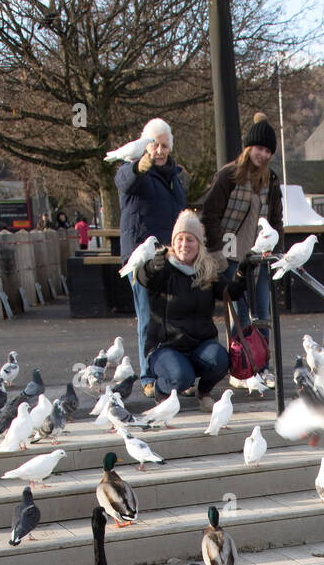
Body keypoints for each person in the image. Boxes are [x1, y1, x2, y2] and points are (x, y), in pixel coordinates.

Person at [136, 210, 245, 410]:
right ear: (173, 241)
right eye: (180, 239)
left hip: (199, 344)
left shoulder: (207, 269)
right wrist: (152, 267)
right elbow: (145, 278)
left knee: (220, 358)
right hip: (166, 345)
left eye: (190, 240)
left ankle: (204, 392)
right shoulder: (164, 265)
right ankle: (162, 391)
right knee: (181, 377)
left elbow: (230, 293)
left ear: (199, 245)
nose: (184, 244)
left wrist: (243, 272)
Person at [116, 117, 186, 390]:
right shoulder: (134, 171)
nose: (159, 150)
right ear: (146, 145)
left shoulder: (175, 177)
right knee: (147, 317)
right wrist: (139, 166)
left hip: (170, 256)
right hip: (142, 258)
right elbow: (124, 181)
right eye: (155, 144)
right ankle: (147, 375)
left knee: (172, 316)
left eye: (165, 145)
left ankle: (173, 373)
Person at [201, 112, 284, 333]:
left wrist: (279, 253)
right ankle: (242, 365)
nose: (263, 155)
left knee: (263, 316)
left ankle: (263, 365)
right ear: (249, 148)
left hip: (260, 257)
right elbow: (210, 214)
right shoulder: (228, 175)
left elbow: (276, 220)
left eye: (268, 151)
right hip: (231, 257)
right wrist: (217, 252)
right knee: (240, 317)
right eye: (260, 148)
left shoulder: (272, 180)